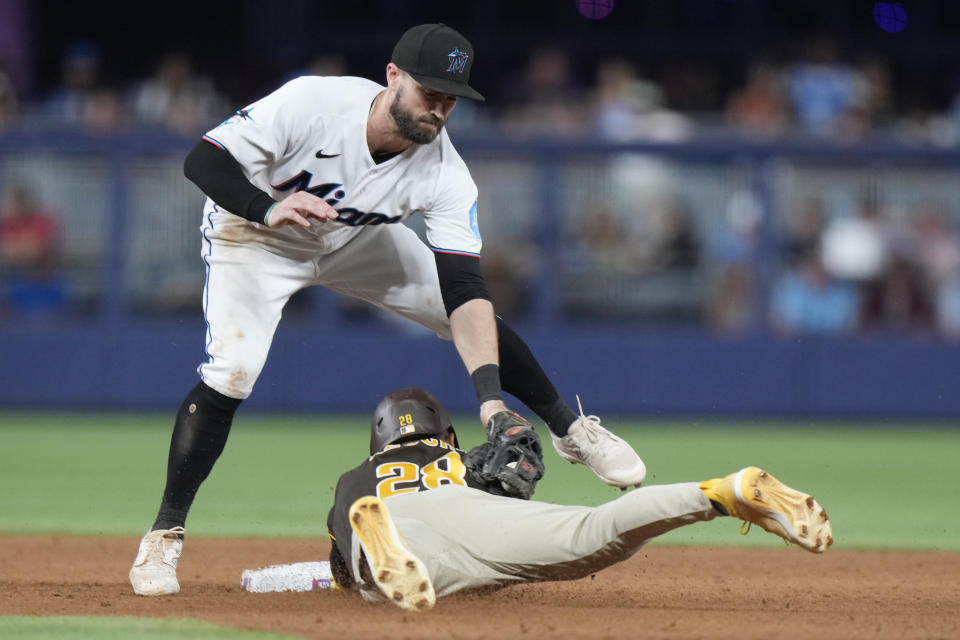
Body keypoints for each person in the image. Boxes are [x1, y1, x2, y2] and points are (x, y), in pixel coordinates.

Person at [129, 23, 646, 596]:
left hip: (353, 240)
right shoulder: (314, 102)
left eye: (451, 99)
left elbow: (465, 288)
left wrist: (491, 402)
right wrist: (267, 207)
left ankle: (572, 431)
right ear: (392, 77)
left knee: (472, 317)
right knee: (232, 372)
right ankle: (164, 536)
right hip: (254, 234)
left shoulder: (446, 171)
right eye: (430, 94)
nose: (440, 110)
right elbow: (202, 161)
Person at [326, 388, 833, 611]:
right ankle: (723, 493)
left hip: (389, 518)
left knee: (368, 580)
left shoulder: (353, 479)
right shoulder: (463, 457)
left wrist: (346, 571)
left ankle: (386, 550)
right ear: (446, 432)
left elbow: (338, 573)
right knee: (597, 532)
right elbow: (510, 481)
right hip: (471, 503)